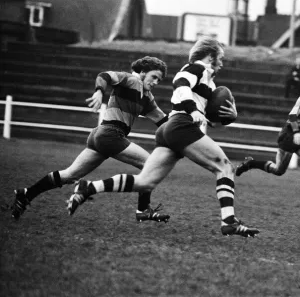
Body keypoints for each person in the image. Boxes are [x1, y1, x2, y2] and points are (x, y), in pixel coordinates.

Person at [66, 37, 259, 238]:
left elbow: (210, 117)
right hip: (181, 126)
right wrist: (193, 109)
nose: (222, 62)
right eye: (221, 57)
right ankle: (229, 222)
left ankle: (88, 187)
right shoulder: (198, 68)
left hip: (171, 128)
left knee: (145, 182)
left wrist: (231, 116)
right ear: (211, 56)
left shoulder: (208, 81)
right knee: (225, 167)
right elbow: (180, 82)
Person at [11, 56, 170, 223]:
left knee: (70, 174)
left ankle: (27, 194)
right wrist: (99, 91)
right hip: (110, 134)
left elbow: (162, 120)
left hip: (101, 135)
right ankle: (142, 209)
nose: (156, 82)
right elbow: (105, 75)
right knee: (150, 164)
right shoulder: (131, 79)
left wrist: (186, 130)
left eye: (159, 79)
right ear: (143, 72)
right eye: (154, 77)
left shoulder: (147, 96)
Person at [236, 96, 300, 177]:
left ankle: (250, 163)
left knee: (279, 170)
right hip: (289, 136)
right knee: (279, 170)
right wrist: (296, 132)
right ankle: (251, 163)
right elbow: (292, 115)